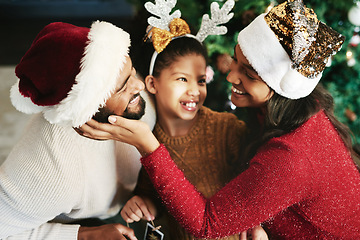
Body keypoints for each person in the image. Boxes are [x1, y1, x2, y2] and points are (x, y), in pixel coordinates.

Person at [78, 0, 360, 239]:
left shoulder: (291, 157)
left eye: (248, 74)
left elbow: (206, 224)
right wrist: (257, 216)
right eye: (235, 60)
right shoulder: (293, 110)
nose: (229, 76)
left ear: (281, 89)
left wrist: (147, 145)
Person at [0, 21, 156, 239]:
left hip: (129, 205)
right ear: (86, 105)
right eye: (122, 87)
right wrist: (85, 234)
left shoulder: (141, 101)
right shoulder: (48, 169)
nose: (140, 86)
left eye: (133, 72)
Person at [120, 24, 267, 239]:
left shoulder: (227, 129)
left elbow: (263, 183)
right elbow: (152, 194)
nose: (195, 91)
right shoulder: (147, 141)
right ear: (152, 84)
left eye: (201, 81)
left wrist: (260, 224)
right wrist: (143, 204)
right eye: (182, 79)